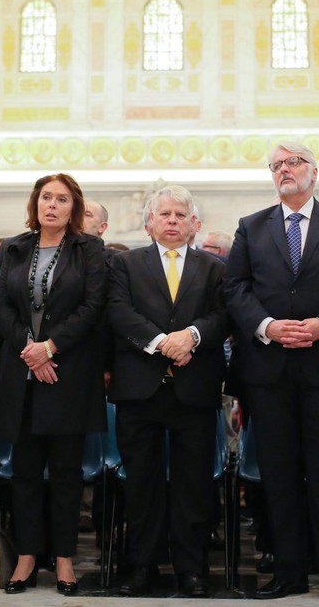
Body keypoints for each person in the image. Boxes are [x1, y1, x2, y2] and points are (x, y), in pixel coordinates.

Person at [223, 142, 319, 604]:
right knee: (279, 476)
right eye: (276, 165)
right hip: (268, 370)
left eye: (293, 163)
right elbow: (235, 287)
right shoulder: (251, 227)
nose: (284, 170)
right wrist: (268, 326)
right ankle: (288, 572)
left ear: (314, 170)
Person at [0, 173, 107, 595]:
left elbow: (91, 308)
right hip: (23, 371)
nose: (52, 205)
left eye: (62, 199)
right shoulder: (16, 248)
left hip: (68, 374)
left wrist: (50, 347)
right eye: (46, 197)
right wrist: (30, 351)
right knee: (26, 472)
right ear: (35, 204)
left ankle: (65, 558)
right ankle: (29, 556)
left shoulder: (89, 249)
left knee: (68, 473)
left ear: (74, 207)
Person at [108, 185, 229, 598]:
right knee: (141, 484)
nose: (173, 221)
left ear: (194, 224)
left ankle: (192, 569)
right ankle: (142, 566)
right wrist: (162, 342)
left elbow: (223, 314)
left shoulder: (213, 267)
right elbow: (119, 311)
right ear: (149, 223)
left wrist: (192, 336)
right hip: (139, 389)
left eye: (181, 215)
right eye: (165, 214)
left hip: (194, 388)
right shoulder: (124, 264)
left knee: (193, 486)